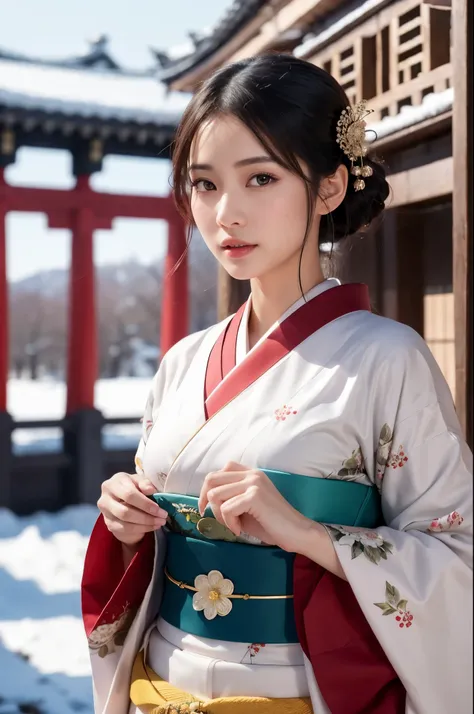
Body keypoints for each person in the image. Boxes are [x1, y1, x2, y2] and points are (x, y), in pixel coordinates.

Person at [81, 54, 472, 714]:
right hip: (161, 685)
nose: (225, 213)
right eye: (204, 185)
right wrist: (125, 519)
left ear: (328, 187)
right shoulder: (182, 361)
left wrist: (307, 534)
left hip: (299, 694)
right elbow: (151, 537)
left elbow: (457, 556)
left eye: (260, 177)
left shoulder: (385, 358)